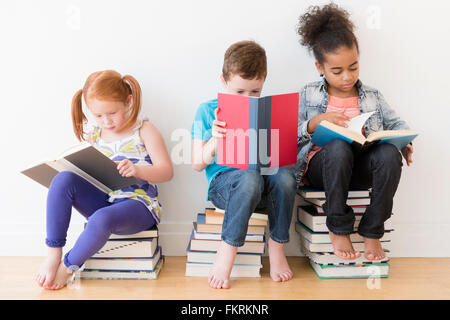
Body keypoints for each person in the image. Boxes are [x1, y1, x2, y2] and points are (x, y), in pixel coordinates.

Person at [295, 3, 414, 261]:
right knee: (338, 147)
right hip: (324, 169)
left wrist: (403, 143)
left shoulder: (372, 95)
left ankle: (372, 231)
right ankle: (338, 227)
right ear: (320, 67)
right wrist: (314, 123)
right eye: (337, 71)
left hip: (359, 167)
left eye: (354, 67)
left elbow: (397, 125)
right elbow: (289, 138)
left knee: (389, 155)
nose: (347, 77)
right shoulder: (308, 94)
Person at [34, 70, 173, 290]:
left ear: (128, 102)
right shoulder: (95, 136)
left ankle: (69, 265)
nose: (106, 121)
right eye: (98, 116)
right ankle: (53, 254)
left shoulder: (144, 130)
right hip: (106, 199)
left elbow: (166, 172)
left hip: (139, 206)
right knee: (62, 180)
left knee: (100, 218)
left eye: (112, 113)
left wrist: (137, 170)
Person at [191, 40, 297, 289]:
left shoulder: (267, 110)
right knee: (248, 176)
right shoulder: (206, 110)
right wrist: (215, 140)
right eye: (240, 92)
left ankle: (277, 247)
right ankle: (227, 250)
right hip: (226, 186)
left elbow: (278, 164)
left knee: (284, 176)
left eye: (255, 92)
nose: (248, 98)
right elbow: (197, 164)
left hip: (263, 183)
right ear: (224, 80)